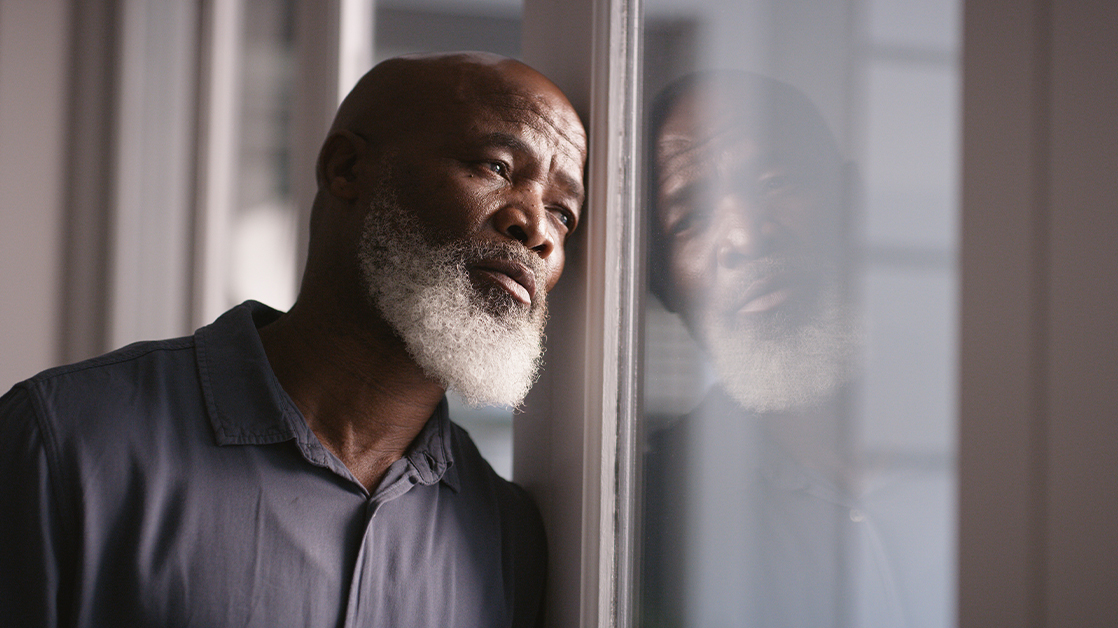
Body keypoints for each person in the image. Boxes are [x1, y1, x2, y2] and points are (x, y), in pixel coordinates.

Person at [0, 52, 586, 627]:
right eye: (498, 168)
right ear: (346, 168)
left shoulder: (509, 539)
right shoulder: (65, 441)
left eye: (564, 213)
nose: (536, 230)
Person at [641, 71, 929, 628]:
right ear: (663, 286)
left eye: (775, 181)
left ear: (852, 204)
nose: (747, 238)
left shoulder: (1020, 436)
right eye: (691, 219)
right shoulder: (650, 516)